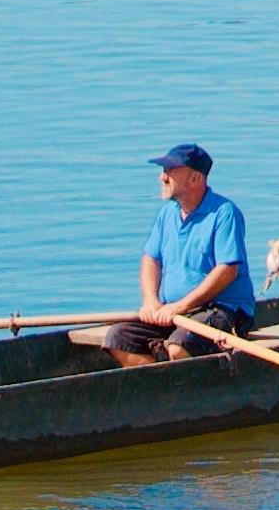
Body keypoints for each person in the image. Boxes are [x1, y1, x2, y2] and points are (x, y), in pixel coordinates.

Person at [77, 144, 257, 366]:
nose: (162, 178)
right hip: (174, 312)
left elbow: (226, 271)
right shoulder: (167, 214)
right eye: (164, 171)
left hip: (222, 310)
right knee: (118, 338)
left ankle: (180, 382)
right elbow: (151, 259)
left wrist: (180, 306)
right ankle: (158, 384)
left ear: (195, 179)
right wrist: (151, 301)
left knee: (179, 346)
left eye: (170, 172)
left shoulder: (224, 213)